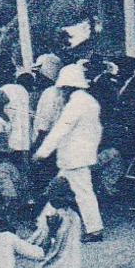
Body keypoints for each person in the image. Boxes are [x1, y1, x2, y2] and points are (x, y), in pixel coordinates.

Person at [34, 62, 105, 241]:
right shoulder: (90, 102)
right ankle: (41, 222)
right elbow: (98, 130)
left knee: (83, 193)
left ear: (69, 86)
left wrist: (42, 152)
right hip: (80, 156)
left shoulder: (76, 104)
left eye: (63, 88)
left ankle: (94, 229)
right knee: (57, 189)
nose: (62, 92)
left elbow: (60, 129)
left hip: (73, 157)